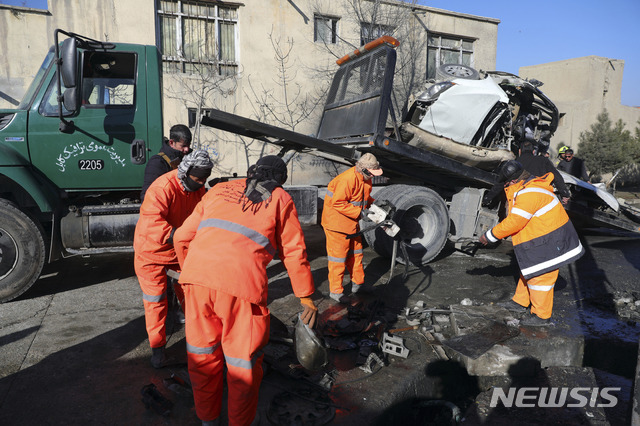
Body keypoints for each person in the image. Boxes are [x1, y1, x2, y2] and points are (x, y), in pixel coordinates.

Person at [173, 155, 317, 426]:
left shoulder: (218, 189)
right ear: (280, 180)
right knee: (242, 366)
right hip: (240, 289)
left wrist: (190, 275)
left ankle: (208, 421)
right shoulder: (280, 198)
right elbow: (294, 252)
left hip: (197, 282)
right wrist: (306, 298)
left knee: (202, 358)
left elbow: (181, 237)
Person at [479, 160, 584, 326]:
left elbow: (515, 222)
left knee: (540, 277)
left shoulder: (529, 193)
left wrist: (490, 235)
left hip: (550, 240)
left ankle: (541, 316)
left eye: (506, 182)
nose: (505, 184)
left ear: (513, 181)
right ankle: (520, 302)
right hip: (544, 236)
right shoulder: (526, 187)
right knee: (530, 270)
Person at [134, 150, 213, 368]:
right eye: (198, 179)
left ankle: (200, 341)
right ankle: (157, 349)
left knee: (192, 294)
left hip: (178, 251)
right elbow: (152, 224)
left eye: (204, 180)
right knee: (156, 301)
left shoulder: (199, 189)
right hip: (151, 252)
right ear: (186, 172)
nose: (201, 183)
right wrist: (180, 236)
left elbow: (202, 215)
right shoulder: (162, 188)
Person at [321, 153, 383, 302]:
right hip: (336, 225)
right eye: (372, 173)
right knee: (338, 259)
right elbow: (338, 203)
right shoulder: (347, 179)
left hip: (351, 223)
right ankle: (336, 292)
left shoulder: (366, 180)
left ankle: (358, 285)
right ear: (364, 169)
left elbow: (363, 198)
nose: (373, 176)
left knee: (356, 255)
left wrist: (376, 205)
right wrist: (361, 213)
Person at [141, 124, 193, 201]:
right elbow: (149, 195)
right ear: (171, 142)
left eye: (189, 145)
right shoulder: (158, 162)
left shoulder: (190, 159)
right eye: (183, 146)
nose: (187, 149)